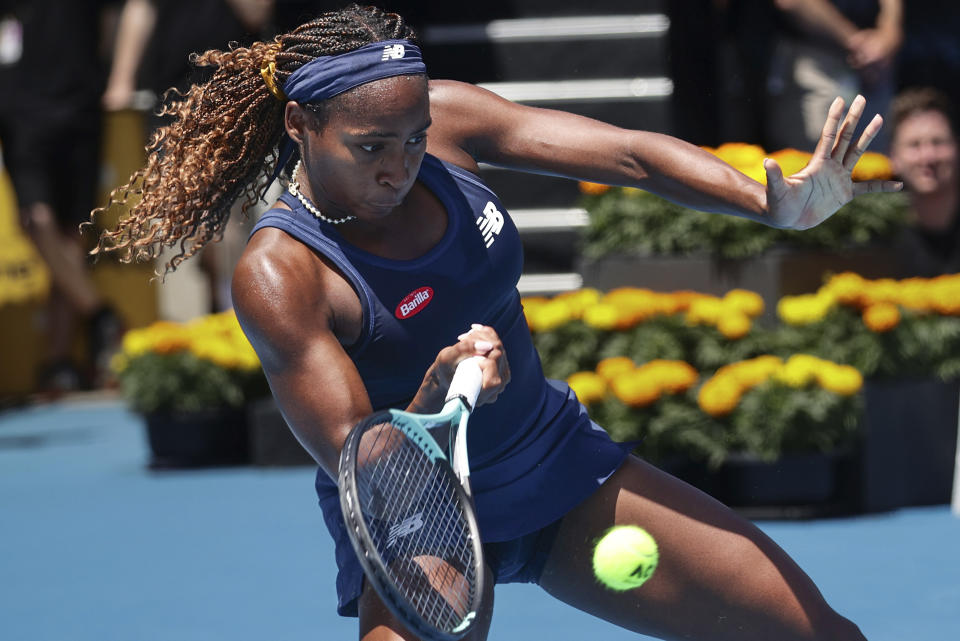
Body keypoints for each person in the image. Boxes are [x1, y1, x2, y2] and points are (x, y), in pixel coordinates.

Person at [89, 5, 900, 640]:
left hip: (554, 463)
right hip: (421, 514)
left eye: (412, 139)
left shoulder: (452, 122)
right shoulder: (280, 273)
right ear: (301, 127)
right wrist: (434, 398)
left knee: (825, 634)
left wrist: (769, 202)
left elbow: (628, 154)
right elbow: (357, 451)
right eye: (372, 146)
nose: (400, 165)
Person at [0, 0, 123, 393]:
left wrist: (109, 80)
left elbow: (110, 23)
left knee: (73, 232)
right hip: (21, 108)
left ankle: (59, 361)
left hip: (81, 104)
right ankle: (101, 314)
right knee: (36, 220)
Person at [766, 0, 902, 153]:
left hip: (877, 61)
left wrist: (889, 34)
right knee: (816, 160)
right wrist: (858, 44)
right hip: (815, 60)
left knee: (876, 160)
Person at [887, 87, 960, 277]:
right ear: (894, 157)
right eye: (914, 145)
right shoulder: (878, 237)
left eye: (938, 142)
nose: (928, 156)